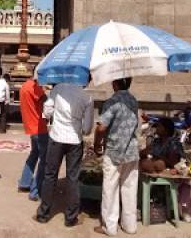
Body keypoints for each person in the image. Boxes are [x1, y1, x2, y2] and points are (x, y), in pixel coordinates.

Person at [35, 83, 94, 227]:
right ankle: (71, 217)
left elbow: (47, 111)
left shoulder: (57, 89)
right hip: (74, 140)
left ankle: (43, 214)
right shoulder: (87, 97)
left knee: (50, 175)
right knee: (72, 178)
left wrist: (50, 119)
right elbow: (87, 128)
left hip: (56, 138)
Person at [93, 78, 139, 236]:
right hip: (132, 151)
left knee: (110, 189)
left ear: (115, 83)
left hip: (114, 151)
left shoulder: (112, 101)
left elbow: (101, 127)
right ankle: (130, 226)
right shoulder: (133, 100)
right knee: (129, 188)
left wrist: (96, 143)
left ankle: (109, 227)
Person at [18, 74, 48, 202]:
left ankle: (24, 183)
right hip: (39, 127)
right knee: (44, 159)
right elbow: (46, 100)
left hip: (31, 126)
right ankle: (35, 191)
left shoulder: (24, 86)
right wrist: (46, 90)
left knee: (34, 155)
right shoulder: (35, 87)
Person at [0, 67, 10, 134]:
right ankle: (2, 130)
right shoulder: (5, 83)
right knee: (3, 115)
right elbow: (7, 94)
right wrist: (7, 102)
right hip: (1, 101)